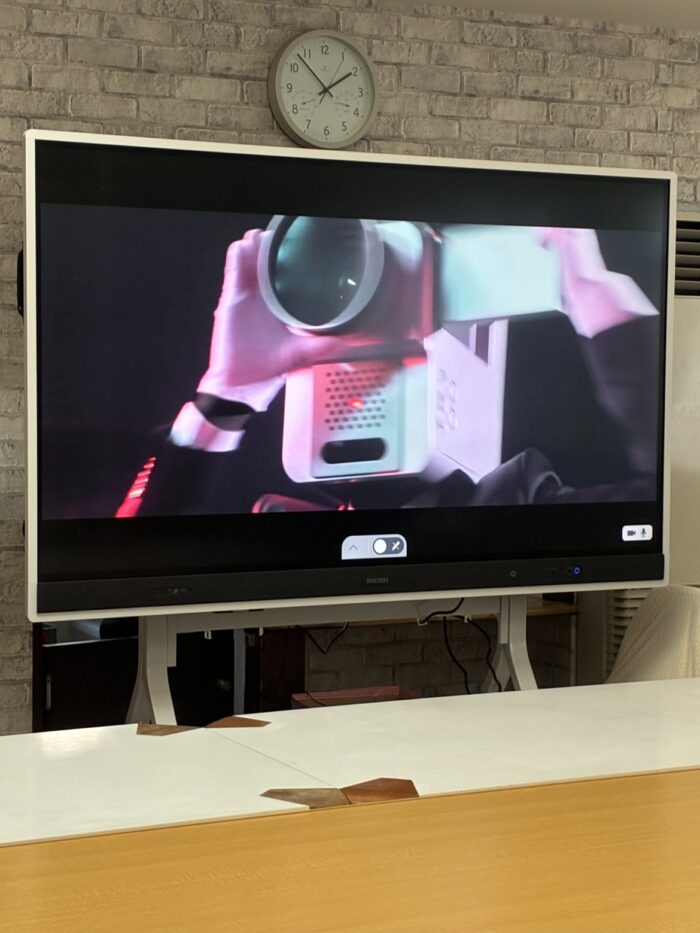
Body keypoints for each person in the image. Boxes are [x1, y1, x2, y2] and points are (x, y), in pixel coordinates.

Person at [127, 220, 661, 518]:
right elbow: (129, 581)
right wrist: (224, 397)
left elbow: (667, 500)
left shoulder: (507, 511)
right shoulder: (273, 520)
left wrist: (599, 299)